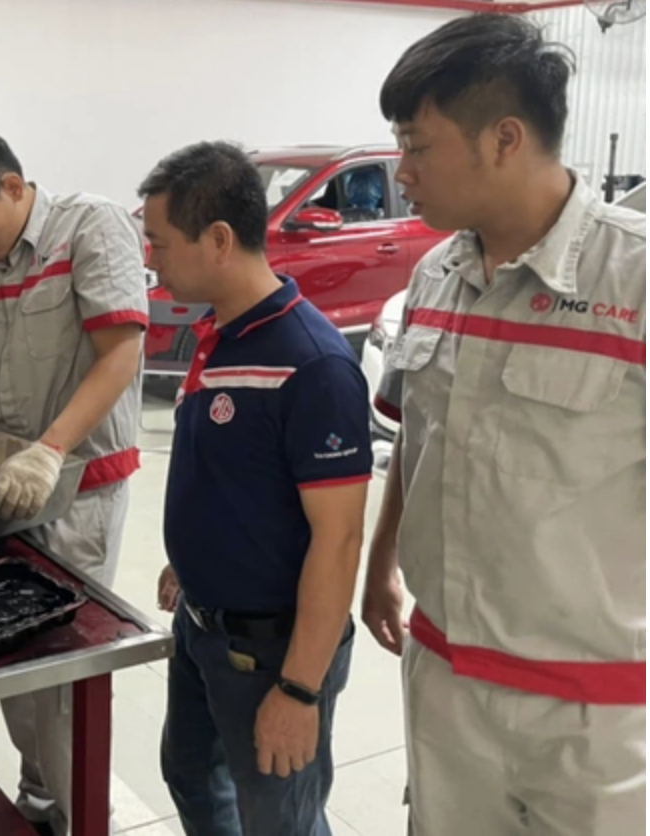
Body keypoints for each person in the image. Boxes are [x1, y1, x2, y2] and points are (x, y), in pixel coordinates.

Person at [361, 16, 646, 836]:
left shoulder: (633, 279)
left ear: (504, 139)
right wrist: (381, 561)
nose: (402, 171)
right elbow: (418, 434)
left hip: (593, 712)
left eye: (417, 147)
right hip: (445, 679)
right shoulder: (435, 275)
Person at [0, 120, 146, 835]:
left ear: (13, 186)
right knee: (13, 659)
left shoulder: (90, 227)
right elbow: (4, 351)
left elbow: (120, 352)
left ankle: (86, 818)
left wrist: (49, 450)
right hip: (5, 486)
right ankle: (41, 802)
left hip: (76, 486)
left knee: (63, 674)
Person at [139, 142, 368, 836]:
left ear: (217, 240)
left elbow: (340, 538)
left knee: (279, 819)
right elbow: (232, 474)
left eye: (159, 242)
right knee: (192, 775)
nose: (150, 259)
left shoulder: (312, 364)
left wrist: (297, 689)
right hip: (203, 622)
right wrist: (193, 559)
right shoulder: (221, 333)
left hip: (270, 649)